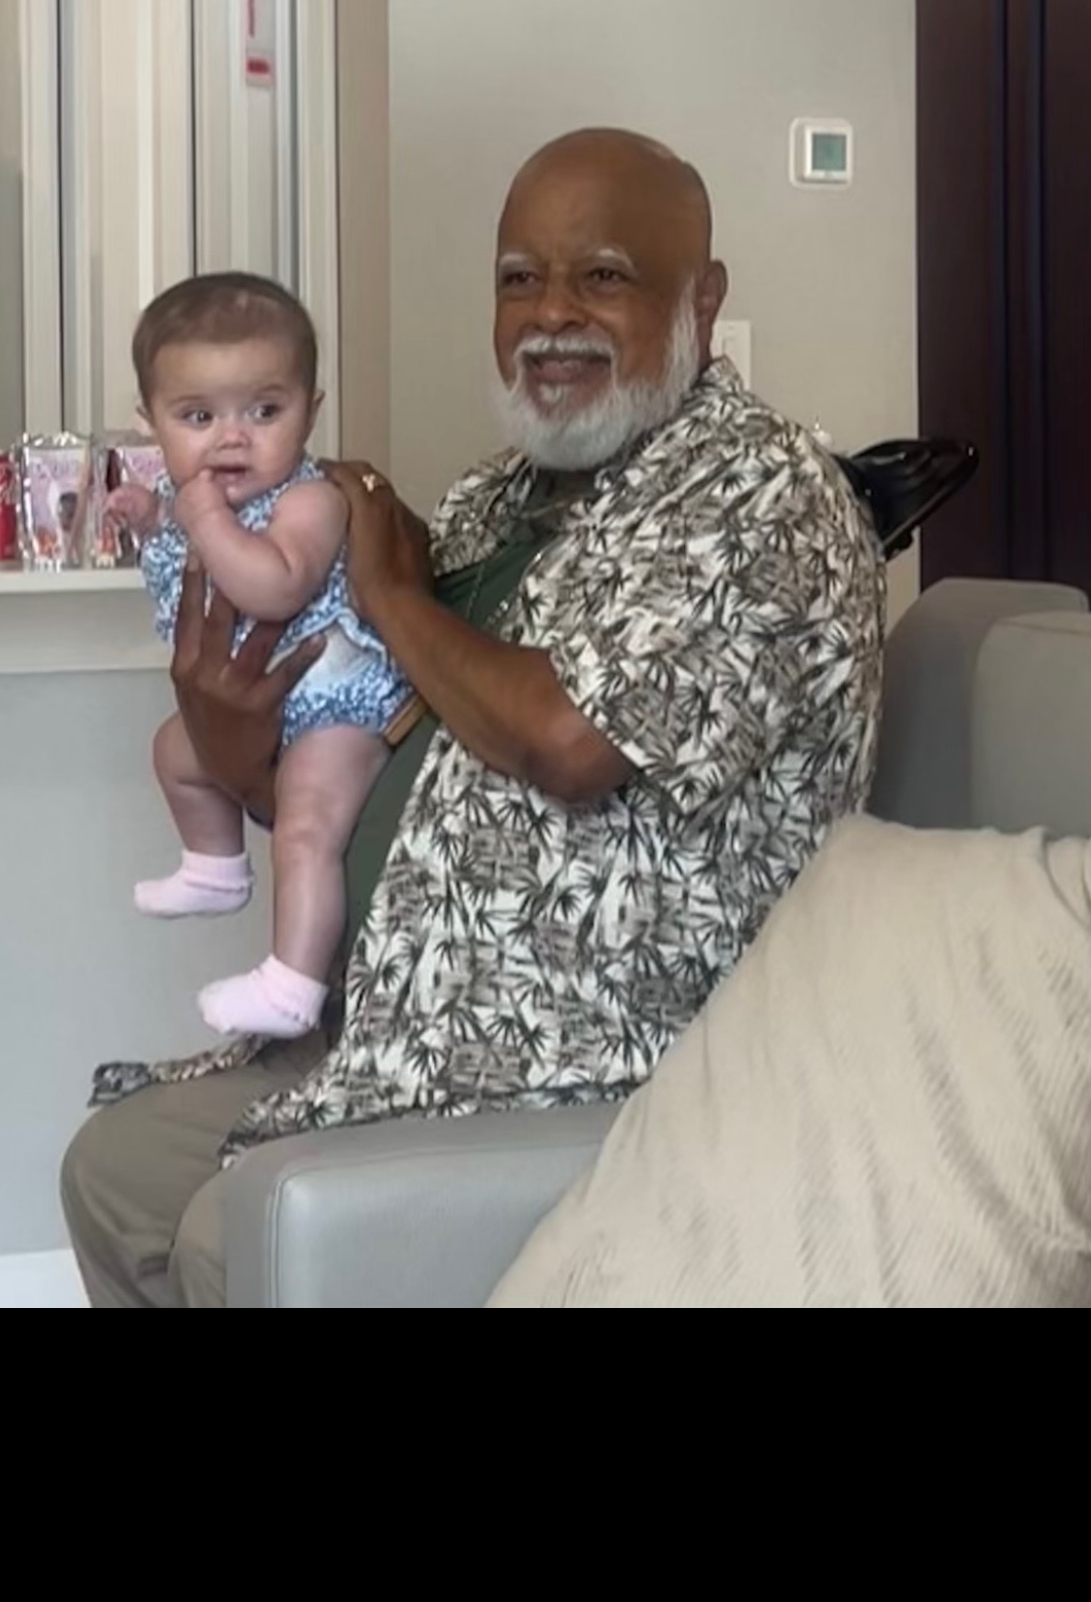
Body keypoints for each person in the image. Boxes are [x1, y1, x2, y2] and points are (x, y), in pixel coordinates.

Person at [62, 128, 885, 1308]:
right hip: (394, 1011)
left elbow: (571, 742)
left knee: (219, 1237)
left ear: (703, 300)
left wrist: (392, 593)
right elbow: (358, 750)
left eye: (602, 275)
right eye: (518, 278)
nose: (551, 315)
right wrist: (229, 729)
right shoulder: (497, 496)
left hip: (585, 1051)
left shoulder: (768, 492)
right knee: (117, 1172)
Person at [108, 273, 413, 1040]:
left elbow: (273, 588)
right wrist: (151, 524)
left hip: (339, 705)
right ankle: (214, 866)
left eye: (265, 411)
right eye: (198, 416)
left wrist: (202, 516)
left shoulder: (310, 501)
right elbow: (184, 569)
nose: (232, 437)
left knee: (308, 826)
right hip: (270, 708)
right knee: (175, 752)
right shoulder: (203, 510)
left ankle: (293, 982)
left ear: (311, 410)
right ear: (152, 424)